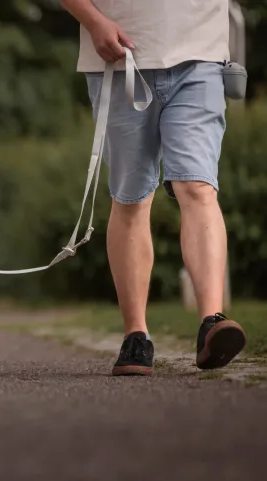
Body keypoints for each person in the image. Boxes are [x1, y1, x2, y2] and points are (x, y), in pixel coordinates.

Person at [60, 0, 246, 375]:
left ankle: (211, 322)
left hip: (201, 59)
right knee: (130, 198)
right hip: (117, 59)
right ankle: (136, 337)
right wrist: (94, 22)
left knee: (198, 187)